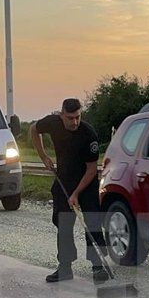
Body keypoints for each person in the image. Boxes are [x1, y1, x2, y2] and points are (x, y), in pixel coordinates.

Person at [29, 98, 108, 284]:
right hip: (63, 179)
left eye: (78, 117)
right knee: (63, 224)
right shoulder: (53, 123)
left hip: (86, 183)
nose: (74, 122)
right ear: (61, 114)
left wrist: (76, 194)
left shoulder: (88, 134)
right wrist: (44, 157)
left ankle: (98, 266)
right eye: (70, 118)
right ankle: (65, 268)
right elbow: (33, 129)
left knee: (92, 221)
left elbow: (91, 169)